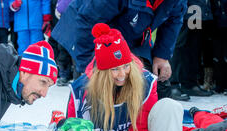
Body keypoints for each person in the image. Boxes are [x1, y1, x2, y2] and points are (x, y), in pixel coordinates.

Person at [67, 23, 184, 131]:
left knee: (169, 106)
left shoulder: (144, 82)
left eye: (126, 66)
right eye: (114, 69)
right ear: (102, 73)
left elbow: (140, 128)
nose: (122, 74)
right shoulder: (81, 92)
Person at [51, 0, 187, 100]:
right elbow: (86, 21)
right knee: (104, 84)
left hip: (133, 33)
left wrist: (161, 56)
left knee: (157, 84)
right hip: (90, 29)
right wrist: (90, 66)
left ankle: (145, 127)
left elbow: (174, 19)